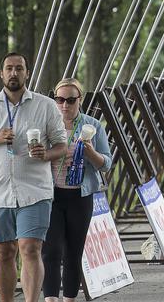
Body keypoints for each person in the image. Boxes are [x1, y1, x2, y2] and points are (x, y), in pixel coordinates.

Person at [0, 53, 67, 302]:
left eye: (19, 69)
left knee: (30, 249)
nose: (14, 73)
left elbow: (62, 146)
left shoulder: (45, 106)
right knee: (4, 251)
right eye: (9, 69)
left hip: (35, 191)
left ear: (27, 73)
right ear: (1, 74)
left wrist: (46, 154)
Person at [42, 78, 112, 302]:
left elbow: (106, 164)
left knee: (73, 252)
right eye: (60, 99)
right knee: (51, 251)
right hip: (51, 195)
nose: (65, 105)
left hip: (80, 197)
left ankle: (70, 298)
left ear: (80, 100)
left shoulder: (92, 126)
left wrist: (90, 152)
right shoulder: (47, 125)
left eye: (71, 100)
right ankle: (51, 298)